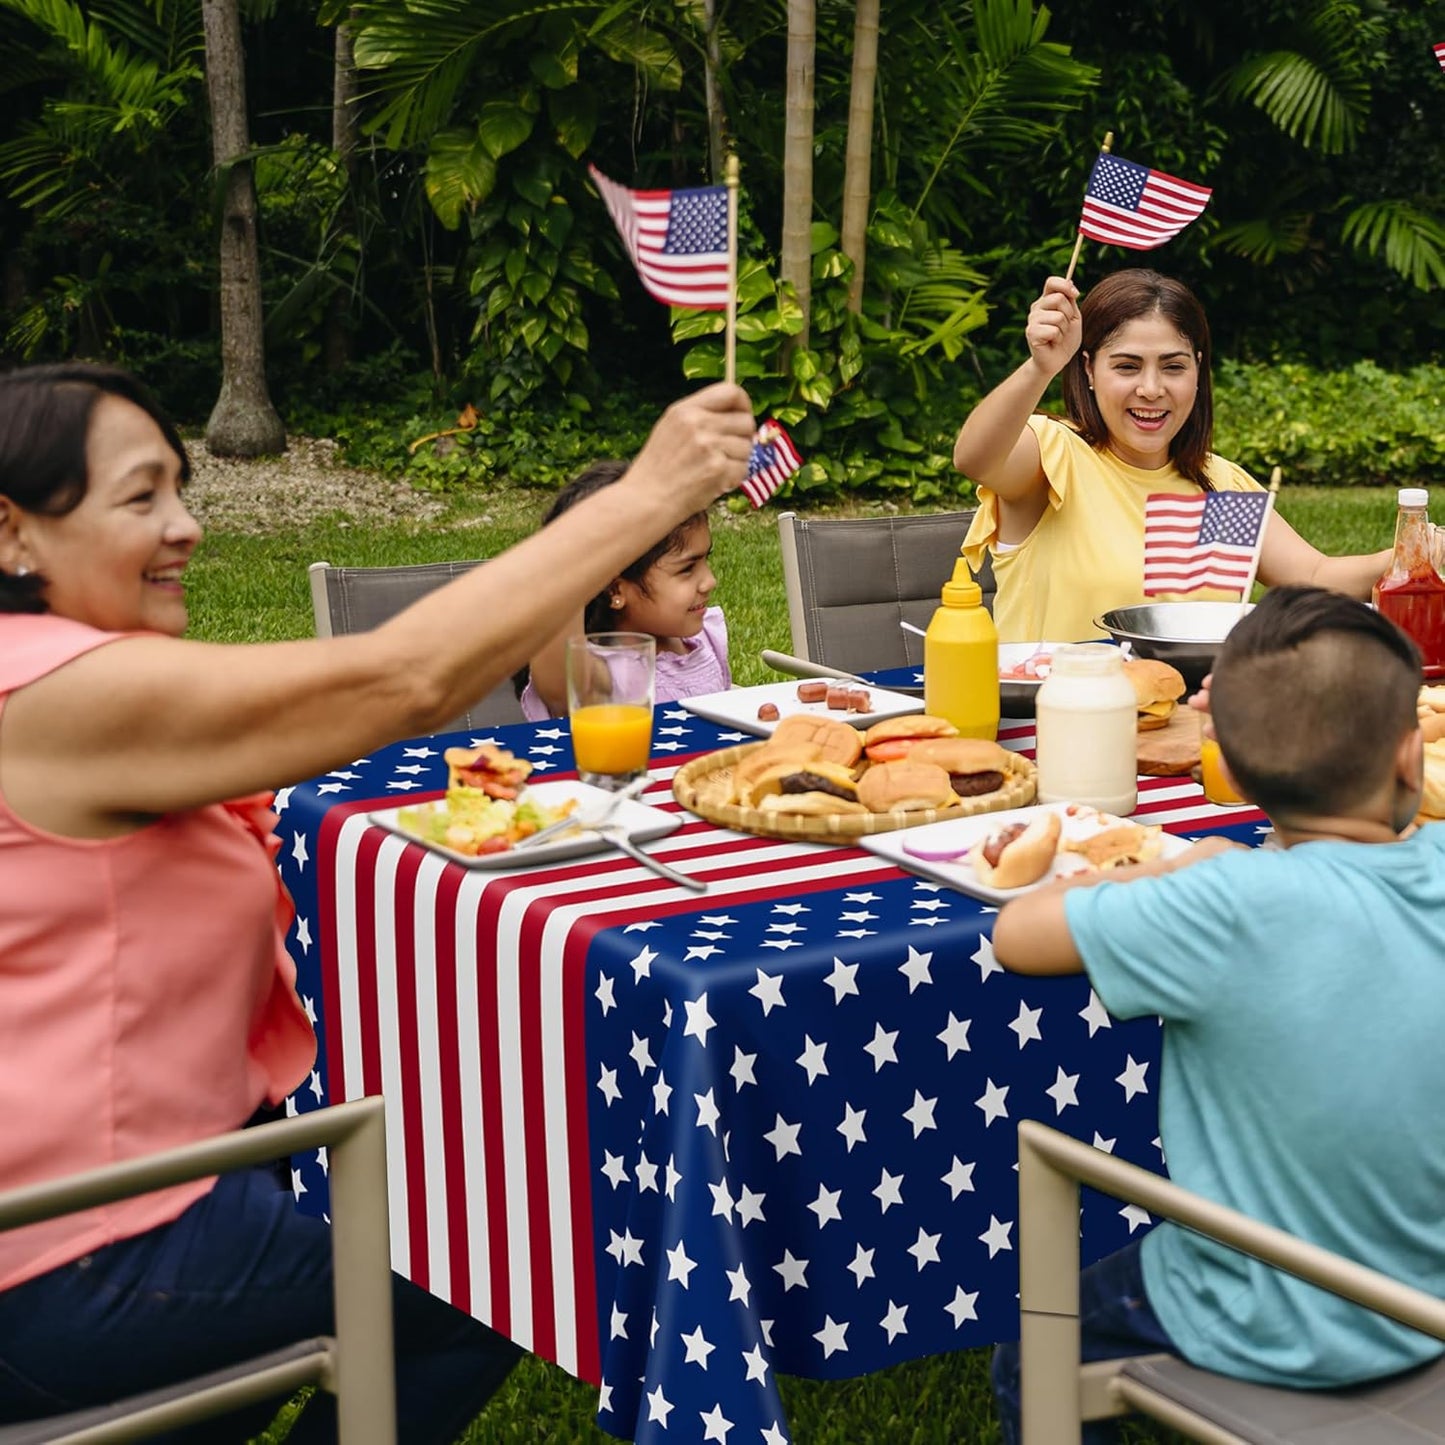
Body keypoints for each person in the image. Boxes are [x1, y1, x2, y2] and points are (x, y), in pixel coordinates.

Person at [0, 363, 755, 1441]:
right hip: (80, 1246)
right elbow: (403, 681)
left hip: (145, 1188)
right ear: (10, 528)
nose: (186, 527)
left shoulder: (59, 674)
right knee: (497, 1277)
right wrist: (644, 495)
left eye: (180, 489)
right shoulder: (57, 693)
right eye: (140, 497)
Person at [987, 585, 1445, 1444]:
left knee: (1030, 1356)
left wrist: (1171, 868)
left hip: (1255, 1314)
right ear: (1410, 758)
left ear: (1223, 768)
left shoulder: (1220, 899)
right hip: (1428, 1292)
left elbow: (1018, 933)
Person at [953, 269, 1391, 642]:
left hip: (1189, 723)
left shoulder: (1219, 482)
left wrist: (1418, 552)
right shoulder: (1055, 454)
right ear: (1087, 369)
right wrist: (1040, 368)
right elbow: (976, 459)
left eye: (1173, 366)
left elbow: (1314, 577)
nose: (1151, 388)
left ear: (1198, 370)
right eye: (1126, 366)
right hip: (1051, 724)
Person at [514, 460, 729, 719]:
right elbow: (561, 676)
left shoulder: (705, 638)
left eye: (706, 559)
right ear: (615, 589)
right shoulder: (600, 673)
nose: (709, 581)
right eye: (686, 569)